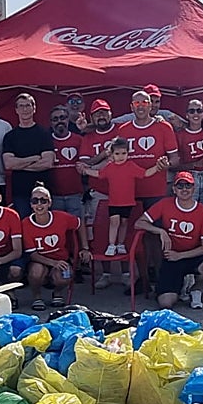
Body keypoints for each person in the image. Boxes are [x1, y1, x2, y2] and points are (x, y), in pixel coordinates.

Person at [115, 89, 180, 287]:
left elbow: (175, 159)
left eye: (145, 102)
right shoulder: (124, 130)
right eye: (137, 103)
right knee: (132, 236)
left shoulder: (164, 127)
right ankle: (139, 280)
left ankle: (159, 278)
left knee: (155, 235)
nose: (141, 106)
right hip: (129, 191)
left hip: (156, 190)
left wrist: (165, 164)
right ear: (131, 107)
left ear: (151, 105)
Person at [137, 171, 203, 309]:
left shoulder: (202, 211)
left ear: (193, 188)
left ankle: (194, 289)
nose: (184, 189)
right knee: (165, 303)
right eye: (180, 186)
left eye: (188, 186)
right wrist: (160, 230)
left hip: (192, 256)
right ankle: (178, 285)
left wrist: (179, 255)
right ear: (174, 189)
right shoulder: (165, 204)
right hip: (171, 258)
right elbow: (139, 223)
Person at [78, 138, 168, 256]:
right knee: (114, 222)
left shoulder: (131, 166)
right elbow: (99, 174)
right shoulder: (110, 167)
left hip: (128, 202)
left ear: (128, 153)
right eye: (117, 154)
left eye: (124, 153)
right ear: (112, 154)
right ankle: (111, 245)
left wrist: (157, 167)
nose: (121, 156)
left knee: (124, 222)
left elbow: (145, 173)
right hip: (114, 202)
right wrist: (86, 171)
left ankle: (120, 244)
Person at [22, 184, 91, 311]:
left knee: (66, 275)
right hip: (39, 261)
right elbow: (33, 254)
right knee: (35, 272)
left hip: (61, 259)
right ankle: (37, 297)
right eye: (35, 201)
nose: (39, 204)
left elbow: (79, 224)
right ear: (31, 204)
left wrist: (85, 248)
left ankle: (57, 293)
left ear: (49, 203)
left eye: (43, 200)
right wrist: (53, 263)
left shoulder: (61, 217)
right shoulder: (25, 223)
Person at [81, 99, 121, 288]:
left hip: (122, 190)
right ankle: (105, 273)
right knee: (101, 232)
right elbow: (82, 166)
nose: (101, 116)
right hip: (99, 192)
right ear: (92, 117)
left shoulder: (121, 130)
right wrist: (105, 156)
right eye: (97, 113)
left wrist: (94, 165)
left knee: (123, 231)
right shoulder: (88, 137)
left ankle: (127, 273)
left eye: (104, 112)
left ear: (111, 114)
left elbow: (119, 161)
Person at [2, 93, 55, 218]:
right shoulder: (10, 136)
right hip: (20, 192)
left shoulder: (44, 134)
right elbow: (9, 164)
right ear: (16, 110)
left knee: (43, 225)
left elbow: (47, 163)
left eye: (28, 105)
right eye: (21, 106)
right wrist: (34, 158)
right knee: (24, 225)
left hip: (42, 192)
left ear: (34, 108)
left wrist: (19, 165)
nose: (25, 109)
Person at [48, 105, 85, 218]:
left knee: (78, 227)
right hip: (54, 196)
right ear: (51, 123)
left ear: (68, 119)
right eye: (55, 119)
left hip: (76, 194)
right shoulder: (47, 140)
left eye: (62, 117)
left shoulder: (79, 139)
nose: (60, 121)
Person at [176, 99, 203, 206]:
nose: (195, 114)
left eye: (199, 111)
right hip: (188, 179)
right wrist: (195, 165)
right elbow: (173, 166)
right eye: (192, 111)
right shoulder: (179, 136)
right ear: (187, 115)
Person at [111, 84, 184, 129]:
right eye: (151, 101)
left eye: (157, 102)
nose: (154, 105)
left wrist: (180, 125)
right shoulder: (132, 117)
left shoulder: (166, 114)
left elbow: (188, 125)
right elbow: (112, 123)